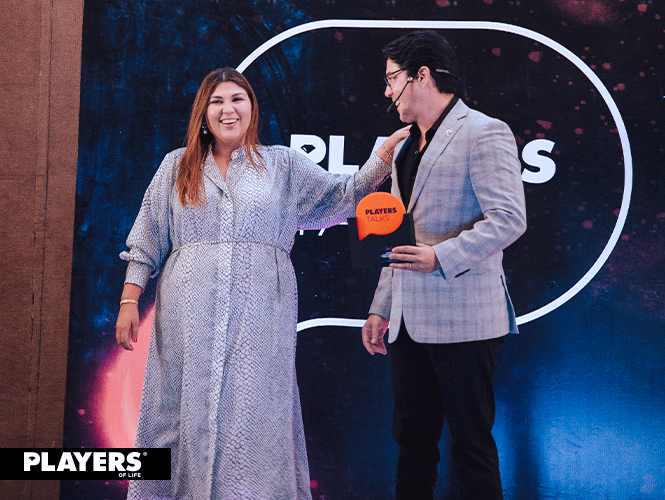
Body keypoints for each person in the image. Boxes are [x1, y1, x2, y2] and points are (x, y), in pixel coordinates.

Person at [115, 67, 408, 500]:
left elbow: (342, 196)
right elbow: (146, 238)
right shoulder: (176, 166)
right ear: (203, 113)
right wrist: (129, 301)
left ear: (252, 108)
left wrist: (382, 157)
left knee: (253, 416)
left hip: (260, 317)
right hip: (186, 319)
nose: (227, 110)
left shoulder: (282, 164)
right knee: (174, 412)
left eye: (237, 99)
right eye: (217, 101)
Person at [361, 31, 527, 500]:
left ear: (422, 75)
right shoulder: (403, 145)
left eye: (392, 79)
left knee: (471, 444)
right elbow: (396, 234)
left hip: (467, 317)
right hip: (407, 321)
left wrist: (441, 257)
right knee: (411, 441)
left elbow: (509, 218)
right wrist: (380, 307)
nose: (387, 91)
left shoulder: (484, 131)